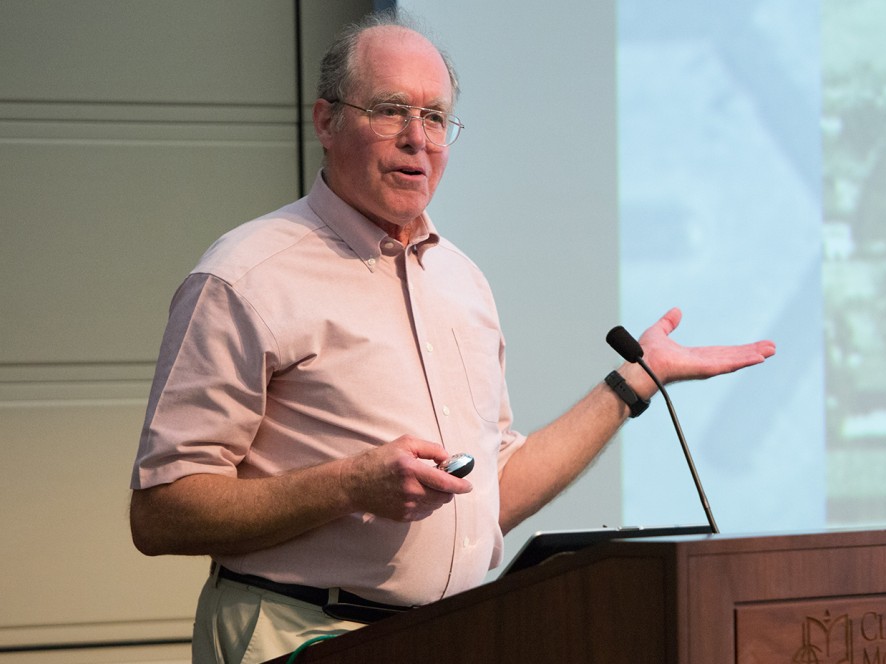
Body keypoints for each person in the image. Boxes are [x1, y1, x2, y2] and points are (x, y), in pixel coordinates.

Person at [128, 10, 775, 664]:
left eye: (435, 117)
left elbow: (491, 491)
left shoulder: (462, 281)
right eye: (390, 111)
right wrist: (350, 485)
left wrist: (637, 382)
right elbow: (161, 513)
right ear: (327, 122)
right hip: (297, 635)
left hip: (447, 634)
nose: (418, 139)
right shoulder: (246, 276)